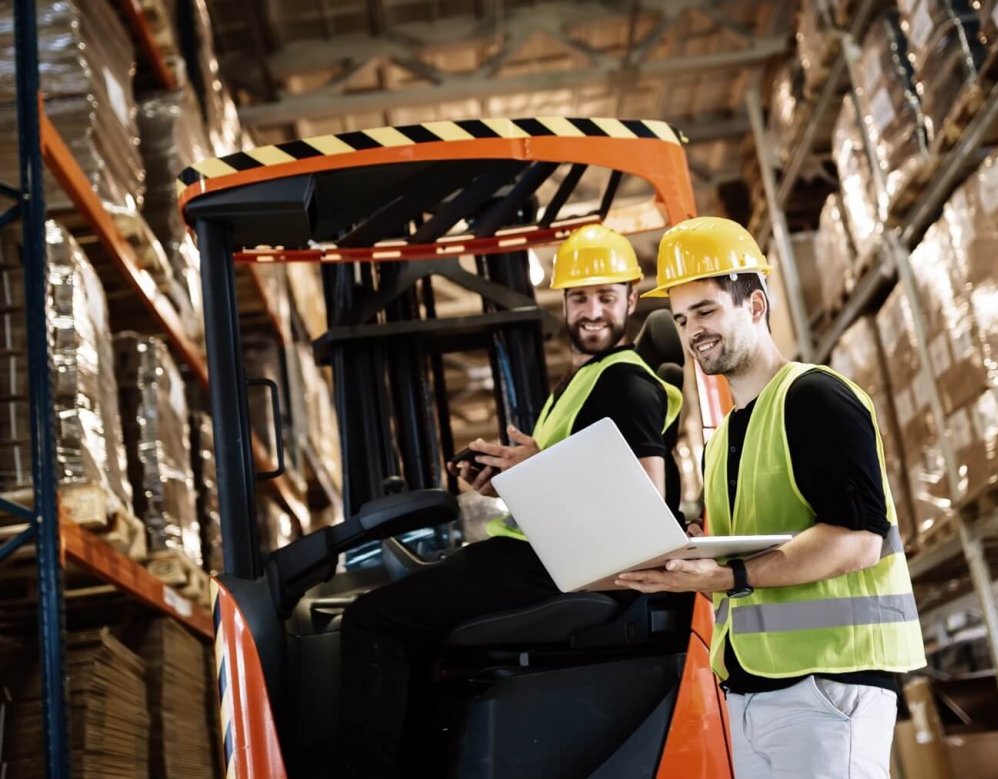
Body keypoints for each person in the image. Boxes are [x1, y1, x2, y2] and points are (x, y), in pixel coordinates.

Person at [338, 224, 684, 778]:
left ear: (631, 298)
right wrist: (505, 482)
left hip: (554, 565)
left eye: (605, 297)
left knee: (370, 620)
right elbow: (574, 487)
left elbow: (646, 506)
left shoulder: (625, 383)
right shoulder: (580, 382)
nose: (592, 312)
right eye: (579, 298)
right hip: (543, 551)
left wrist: (538, 469)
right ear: (563, 302)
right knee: (417, 633)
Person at [616, 216, 926, 778]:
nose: (692, 332)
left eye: (705, 311)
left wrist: (730, 575)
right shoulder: (722, 440)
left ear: (755, 305)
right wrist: (693, 564)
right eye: (681, 319)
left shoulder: (814, 398)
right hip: (752, 691)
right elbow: (750, 565)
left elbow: (859, 541)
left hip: (830, 686)